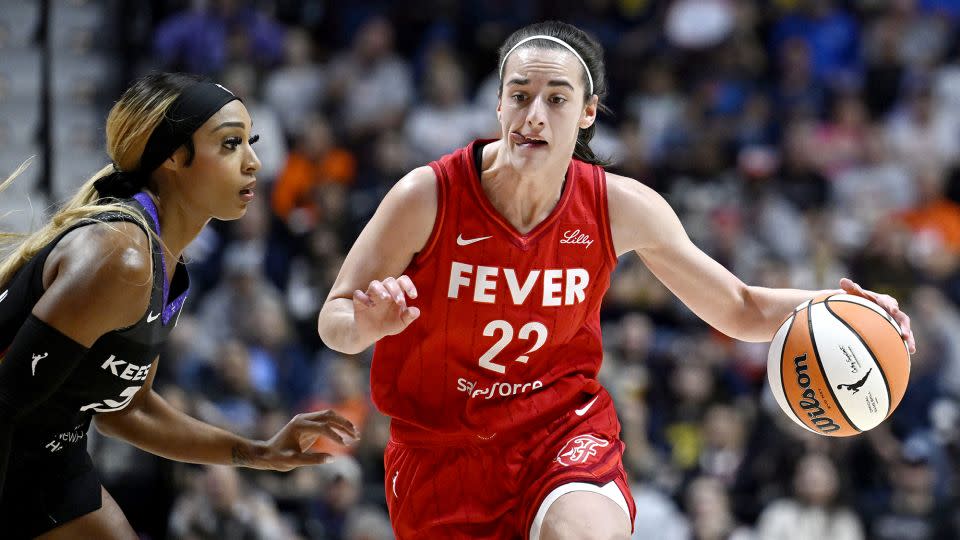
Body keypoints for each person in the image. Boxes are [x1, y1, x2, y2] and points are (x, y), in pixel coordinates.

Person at [317, 21, 915, 540]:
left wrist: (840, 305)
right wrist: (364, 322)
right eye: (519, 95)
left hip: (559, 433)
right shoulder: (428, 195)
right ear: (497, 106)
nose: (533, 114)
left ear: (586, 112)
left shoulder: (619, 207)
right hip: (439, 454)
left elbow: (737, 305)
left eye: (556, 98)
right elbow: (334, 321)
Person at [0, 72, 358, 539]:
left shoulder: (165, 264)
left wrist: (256, 452)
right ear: (174, 156)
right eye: (230, 145)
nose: (254, 162)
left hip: (51, 456)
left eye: (251, 142)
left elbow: (129, 411)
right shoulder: (121, 258)